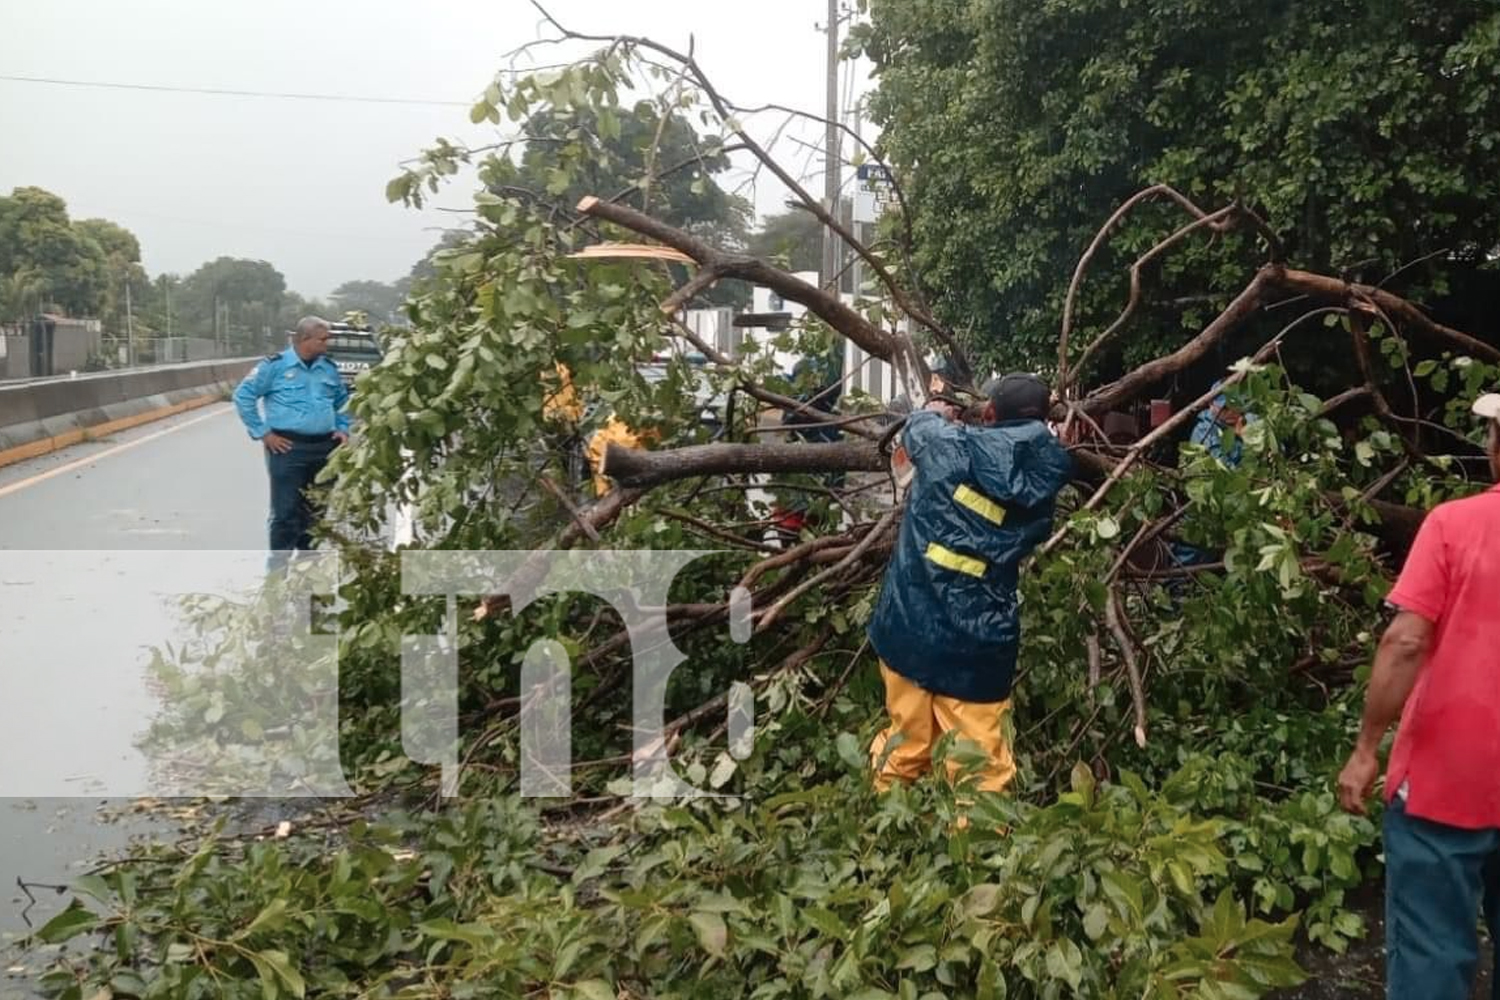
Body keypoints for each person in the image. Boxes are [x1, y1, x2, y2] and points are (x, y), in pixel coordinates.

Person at [1336, 392, 1500, 1000]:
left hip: (1444, 779)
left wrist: (1364, 748)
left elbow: (1405, 641)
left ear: (1496, 449)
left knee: (1432, 953)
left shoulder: (1453, 525)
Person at [867, 373, 1072, 794]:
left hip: (909, 623)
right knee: (980, 772)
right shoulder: (1048, 472)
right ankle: (975, 854)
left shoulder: (947, 446)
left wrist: (935, 412)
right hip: (977, 644)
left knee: (906, 746)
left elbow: (920, 427)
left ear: (990, 413)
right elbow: (1026, 458)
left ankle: (884, 835)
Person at [233, 317, 350, 564]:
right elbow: (243, 396)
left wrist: (343, 428)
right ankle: (278, 568)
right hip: (287, 448)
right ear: (305, 339)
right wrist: (264, 433)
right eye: (323, 339)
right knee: (286, 512)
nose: (327, 343)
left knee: (317, 511)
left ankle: (308, 566)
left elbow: (343, 402)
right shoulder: (274, 366)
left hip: (324, 448)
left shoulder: (328, 368)